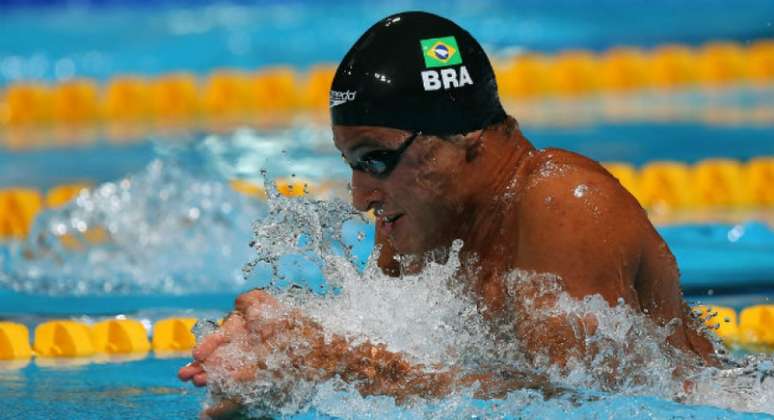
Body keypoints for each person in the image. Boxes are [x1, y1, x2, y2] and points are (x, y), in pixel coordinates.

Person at [179, 11, 717, 417]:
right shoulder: (419, 221)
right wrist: (278, 363)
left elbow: (577, 405)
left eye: (378, 160)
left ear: (465, 138)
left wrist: (341, 365)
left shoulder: (561, 204)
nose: (361, 198)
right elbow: (411, 371)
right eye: (353, 166)